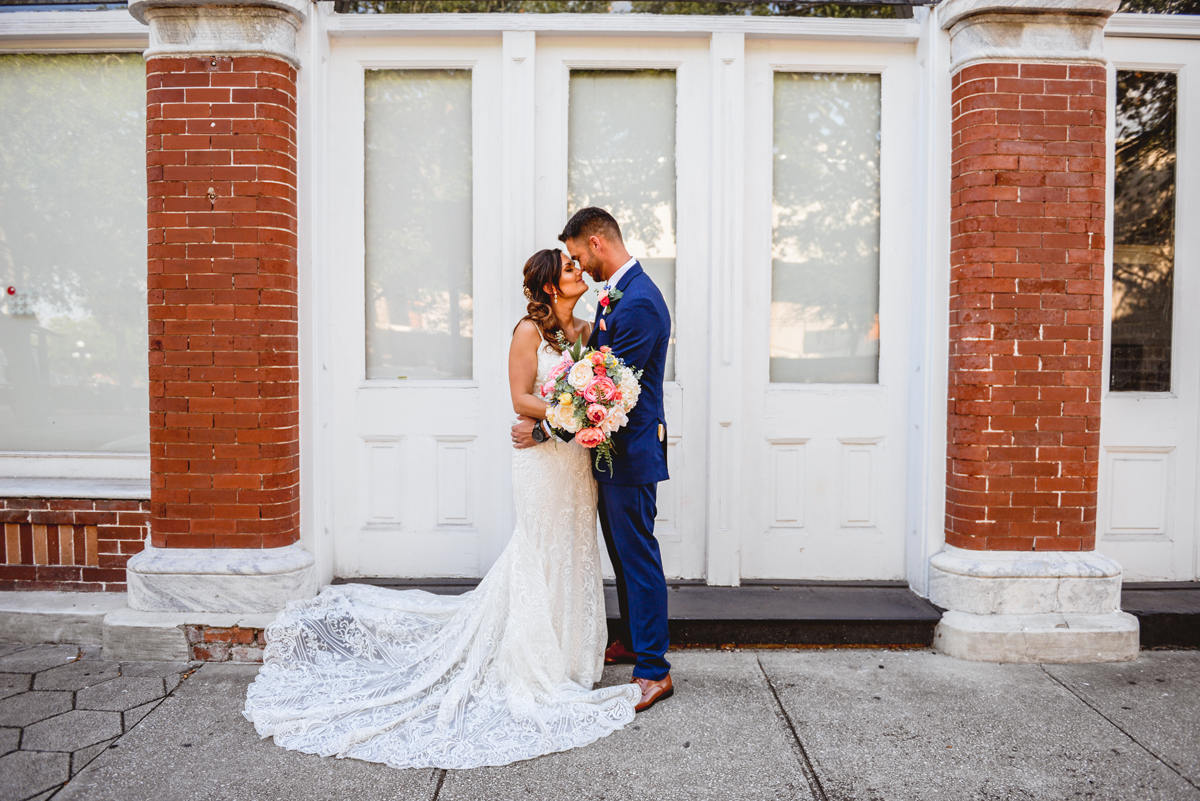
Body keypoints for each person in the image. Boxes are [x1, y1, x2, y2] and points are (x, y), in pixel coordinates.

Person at [242, 248, 641, 770]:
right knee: (540, 550)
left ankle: (569, 656)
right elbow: (520, 398)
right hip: (541, 465)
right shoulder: (528, 332)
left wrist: (589, 410)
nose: (579, 273)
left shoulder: (587, 333)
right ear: (549, 286)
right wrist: (569, 411)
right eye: (569, 269)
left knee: (574, 549)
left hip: (573, 464)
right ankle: (533, 659)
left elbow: (598, 389)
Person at [512, 207, 674, 713]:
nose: (579, 265)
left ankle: (654, 669)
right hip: (603, 457)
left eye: (578, 255)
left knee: (638, 556)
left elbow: (608, 395)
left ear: (597, 243)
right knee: (623, 556)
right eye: (570, 263)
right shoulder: (615, 299)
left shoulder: (640, 303)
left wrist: (541, 427)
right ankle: (631, 639)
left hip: (630, 453)